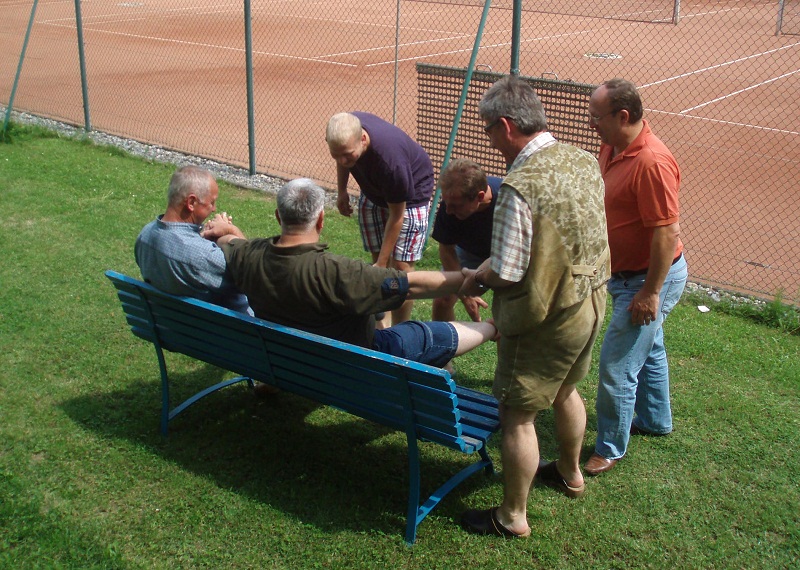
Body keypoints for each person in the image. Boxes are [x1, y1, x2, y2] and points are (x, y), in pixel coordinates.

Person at [458, 75, 610, 538]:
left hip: (547, 317)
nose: (489, 139)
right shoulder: (584, 159)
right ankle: (569, 472)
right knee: (565, 389)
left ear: (505, 126)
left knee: (518, 416)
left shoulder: (518, 186)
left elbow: (507, 272)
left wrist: (477, 276)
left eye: (488, 130)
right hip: (591, 300)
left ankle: (512, 516)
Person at [205, 178, 497, 368]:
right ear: (321, 219)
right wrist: (475, 279)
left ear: (278, 216)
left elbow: (230, 242)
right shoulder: (338, 272)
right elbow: (411, 285)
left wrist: (226, 230)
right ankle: (493, 328)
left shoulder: (247, 256)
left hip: (288, 360)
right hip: (353, 363)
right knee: (422, 335)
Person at [583, 78, 688, 476]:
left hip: (649, 280)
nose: (591, 123)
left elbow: (666, 233)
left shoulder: (652, 163)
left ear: (623, 116)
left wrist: (650, 292)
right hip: (626, 276)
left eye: (597, 117)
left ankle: (609, 447)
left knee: (617, 364)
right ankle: (655, 421)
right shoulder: (612, 146)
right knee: (651, 345)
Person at [325, 111, 435, 326]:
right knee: (377, 261)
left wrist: (382, 264)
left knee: (399, 271)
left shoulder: (391, 162)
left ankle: (400, 330)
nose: (342, 161)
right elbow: (342, 157)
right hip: (374, 192)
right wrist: (342, 191)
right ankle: (381, 327)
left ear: (363, 139)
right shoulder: (343, 133)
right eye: (335, 155)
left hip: (410, 199)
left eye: (347, 154)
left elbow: (397, 216)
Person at [134, 165, 250, 314]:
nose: (214, 209)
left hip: (172, 322)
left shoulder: (145, 235)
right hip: (224, 326)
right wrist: (231, 231)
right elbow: (251, 275)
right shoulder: (203, 257)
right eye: (211, 202)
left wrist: (204, 238)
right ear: (191, 203)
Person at [431, 158, 501, 323]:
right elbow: (446, 250)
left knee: (508, 308)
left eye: (456, 206)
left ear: (480, 196)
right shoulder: (451, 202)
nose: (448, 211)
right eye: (446, 203)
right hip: (469, 252)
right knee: (442, 299)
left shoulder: (506, 200)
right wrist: (465, 294)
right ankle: (442, 339)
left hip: (504, 254)